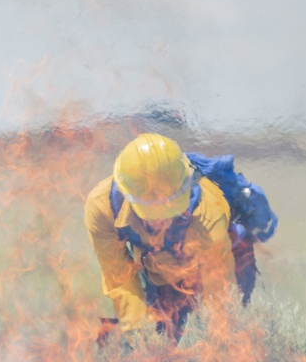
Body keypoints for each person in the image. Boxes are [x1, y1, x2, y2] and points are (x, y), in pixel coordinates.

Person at [85, 133, 266, 342]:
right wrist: (138, 335)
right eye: (153, 212)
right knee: (161, 343)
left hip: (227, 263)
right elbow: (120, 278)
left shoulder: (209, 214)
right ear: (128, 195)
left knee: (231, 337)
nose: (161, 220)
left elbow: (220, 295)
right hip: (160, 274)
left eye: (169, 210)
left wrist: (220, 345)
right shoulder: (102, 207)